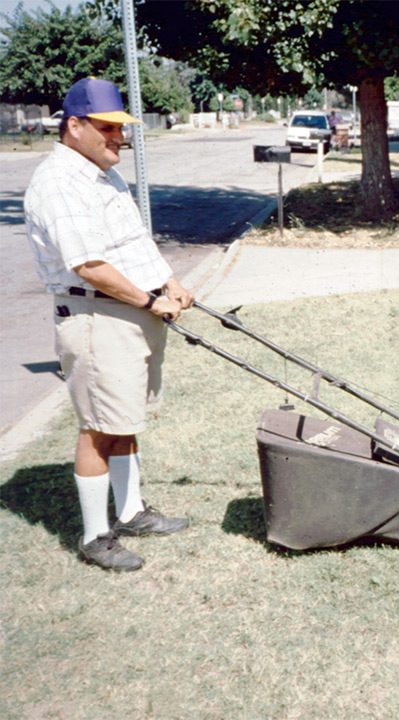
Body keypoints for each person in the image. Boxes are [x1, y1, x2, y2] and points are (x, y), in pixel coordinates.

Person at [24, 77, 195, 572]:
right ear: (74, 126)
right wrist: (149, 299)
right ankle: (96, 536)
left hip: (130, 313)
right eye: (107, 128)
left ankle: (132, 510)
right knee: (98, 426)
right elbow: (89, 265)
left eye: (121, 128)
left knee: (124, 418)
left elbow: (132, 242)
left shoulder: (103, 173)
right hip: (96, 315)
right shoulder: (58, 182)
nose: (119, 138)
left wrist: (170, 281)